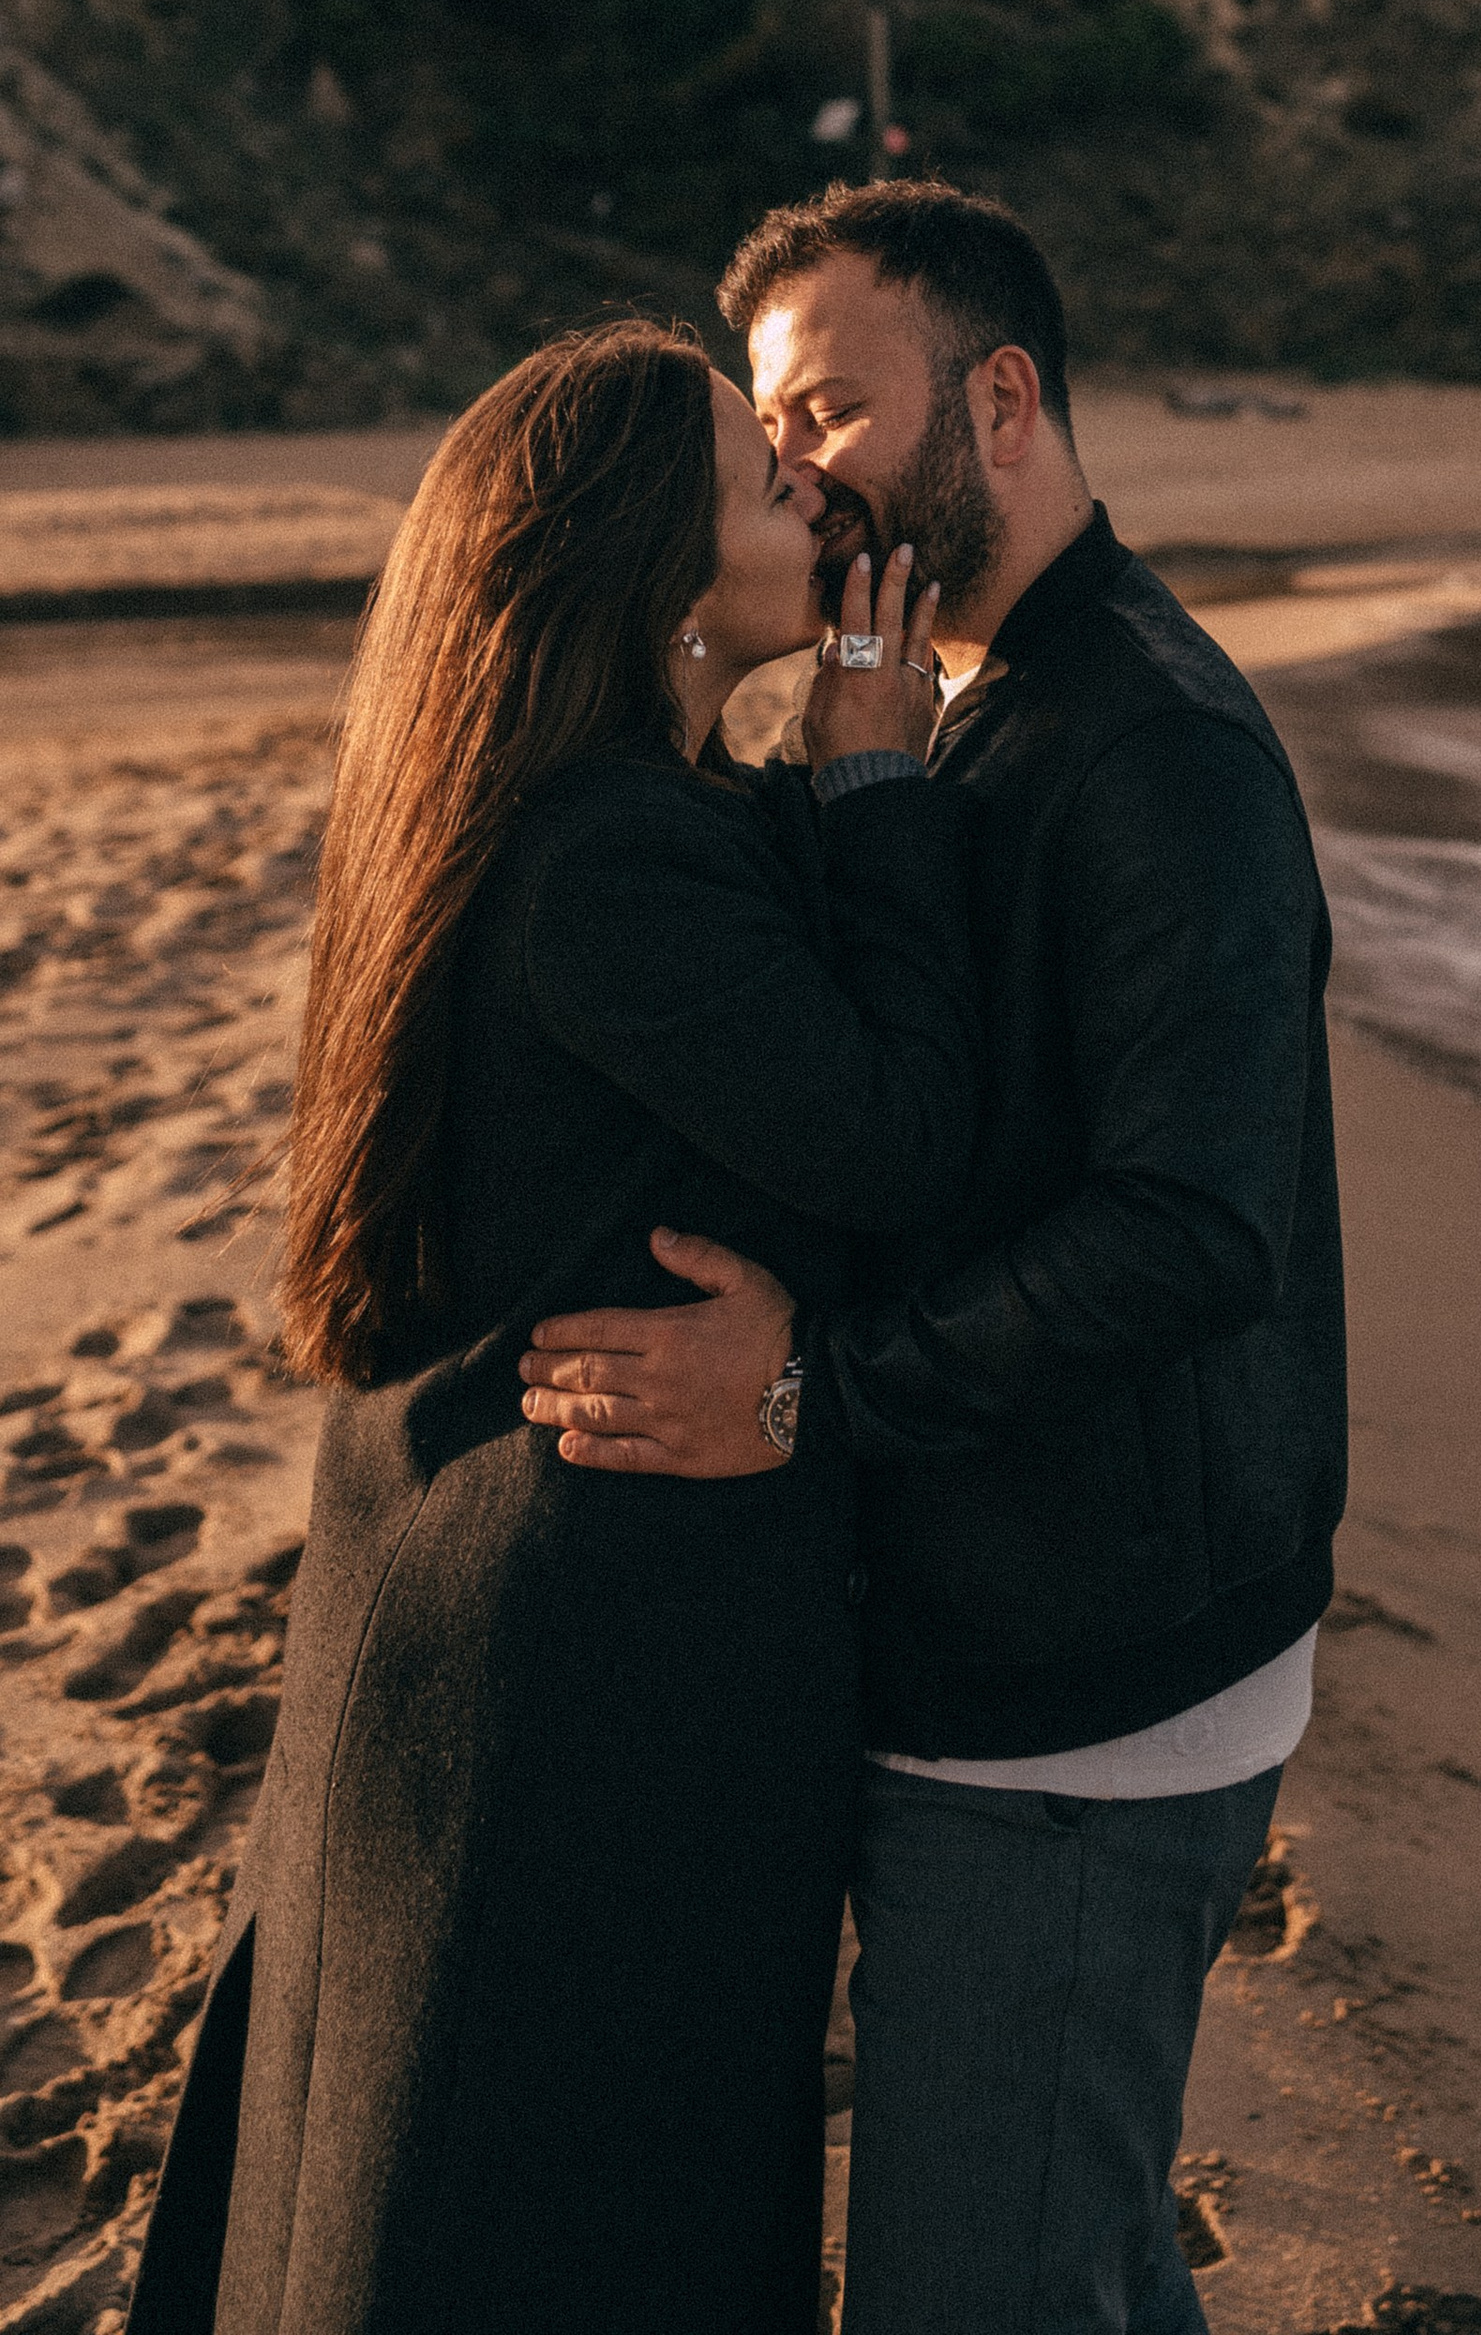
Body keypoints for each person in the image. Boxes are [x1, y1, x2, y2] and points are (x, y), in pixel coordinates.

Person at [521, 184, 1348, 2335]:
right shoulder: (953, 710)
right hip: (993, 1624)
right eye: (769, 434)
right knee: (1049, 2255)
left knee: (980, 2292)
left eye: (828, 408)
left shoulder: (1150, 750)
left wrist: (808, 1398)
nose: (794, 470)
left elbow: (1190, 1234)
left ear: (998, 400)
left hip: (1088, 1688)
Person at [131, 321, 977, 2335]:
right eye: (766, 483)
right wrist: (876, 774)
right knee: (550, 2220)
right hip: (583, 1673)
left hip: (478, 1605)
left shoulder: (587, 808)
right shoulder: (609, 856)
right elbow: (903, 1143)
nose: (816, 492)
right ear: (644, 566)